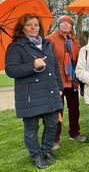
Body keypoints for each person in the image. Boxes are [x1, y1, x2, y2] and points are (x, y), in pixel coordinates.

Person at [5, 13, 63, 169]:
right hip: (30, 94)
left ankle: (46, 151)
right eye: (29, 24)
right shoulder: (16, 46)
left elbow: (54, 67)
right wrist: (33, 66)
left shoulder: (46, 43)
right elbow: (11, 70)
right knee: (31, 128)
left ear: (40, 27)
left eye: (36, 25)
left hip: (50, 91)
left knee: (52, 124)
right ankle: (36, 156)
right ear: (22, 28)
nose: (33, 28)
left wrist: (60, 88)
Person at [46, 15, 86, 150]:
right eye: (63, 23)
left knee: (74, 108)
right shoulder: (50, 39)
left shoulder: (74, 41)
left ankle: (74, 133)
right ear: (59, 25)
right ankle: (54, 139)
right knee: (58, 110)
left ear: (71, 26)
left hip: (72, 82)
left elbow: (79, 60)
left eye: (68, 24)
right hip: (58, 81)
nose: (66, 26)